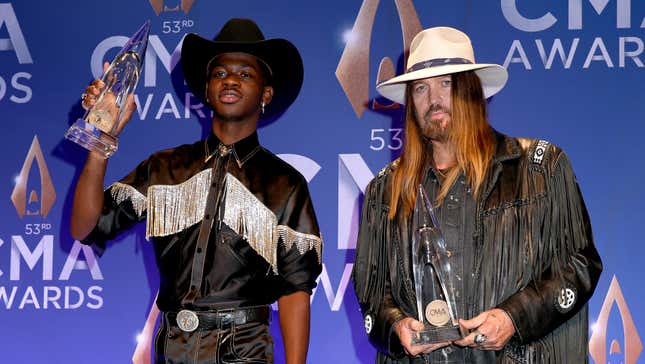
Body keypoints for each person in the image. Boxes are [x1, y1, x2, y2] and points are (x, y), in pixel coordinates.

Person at [70, 18, 322, 364]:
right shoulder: (163, 167)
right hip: (171, 350)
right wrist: (100, 140)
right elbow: (85, 227)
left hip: (244, 352)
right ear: (206, 88)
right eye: (219, 73)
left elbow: (296, 288)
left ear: (266, 93)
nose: (230, 79)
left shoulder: (285, 183)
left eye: (245, 74)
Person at [352, 26, 602, 363]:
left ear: (473, 90)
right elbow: (371, 293)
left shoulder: (540, 167)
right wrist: (397, 327)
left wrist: (514, 317)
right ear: (410, 101)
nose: (434, 99)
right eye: (421, 88)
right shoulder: (385, 190)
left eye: (446, 83)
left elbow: (580, 264)